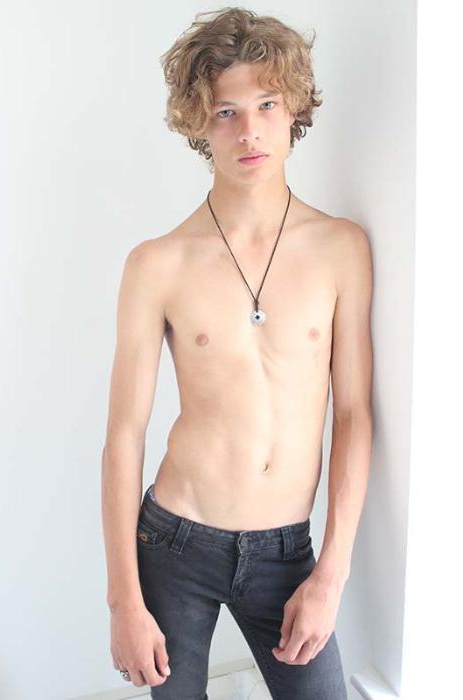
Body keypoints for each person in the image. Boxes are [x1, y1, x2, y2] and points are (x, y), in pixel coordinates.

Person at [101, 7, 373, 699]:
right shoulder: (156, 263)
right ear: (199, 122)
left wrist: (332, 574)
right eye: (225, 112)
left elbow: (353, 414)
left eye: (266, 105)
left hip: (286, 550)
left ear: (294, 109)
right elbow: (124, 435)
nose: (248, 130)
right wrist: (123, 602)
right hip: (174, 543)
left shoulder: (341, 248)